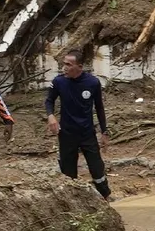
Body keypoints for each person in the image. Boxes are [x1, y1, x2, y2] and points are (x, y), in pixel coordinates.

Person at [45, 50, 111, 199]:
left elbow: (99, 108)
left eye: (69, 64)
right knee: (68, 173)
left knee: (97, 169)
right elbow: (49, 101)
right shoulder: (59, 82)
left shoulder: (92, 82)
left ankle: (105, 197)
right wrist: (51, 116)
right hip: (67, 134)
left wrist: (104, 132)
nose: (65, 67)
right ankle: (73, 203)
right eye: (64, 64)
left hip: (87, 133)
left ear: (79, 66)